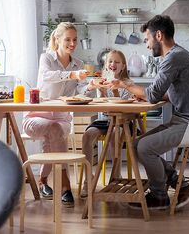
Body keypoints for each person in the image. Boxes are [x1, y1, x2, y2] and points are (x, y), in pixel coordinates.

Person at [108, 15, 189, 210]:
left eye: (147, 39)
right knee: (136, 144)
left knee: (145, 147)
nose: (147, 46)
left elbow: (152, 94)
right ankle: (180, 184)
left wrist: (125, 83)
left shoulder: (173, 57)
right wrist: (158, 96)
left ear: (158, 35)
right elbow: (171, 92)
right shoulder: (177, 55)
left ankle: (159, 196)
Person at [22, 22, 88, 207]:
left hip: (62, 119)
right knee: (54, 129)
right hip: (35, 118)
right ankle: (65, 184)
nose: (72, 43)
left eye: (75, 39)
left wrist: (91, 85)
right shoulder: (47, 58)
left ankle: (43, 180)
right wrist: (73, 75)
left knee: (55, 131)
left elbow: (80, 89)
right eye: (68, 39)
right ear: (57, 40)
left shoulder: (78, 64)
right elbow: (47, 76)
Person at [78, 50, 133, 197]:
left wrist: (115, 90)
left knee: (115, 133)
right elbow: (101, 107)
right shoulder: (102, 80)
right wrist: (100, 91)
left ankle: (115, 177)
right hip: (105, 121)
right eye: (110, 61)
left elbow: (126, 107)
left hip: (123, 122)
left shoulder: (127, 84)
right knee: (87, 135)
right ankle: (87, 180)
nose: (113, 64)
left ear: (123, 66)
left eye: (117, 62)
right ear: (106, 65)